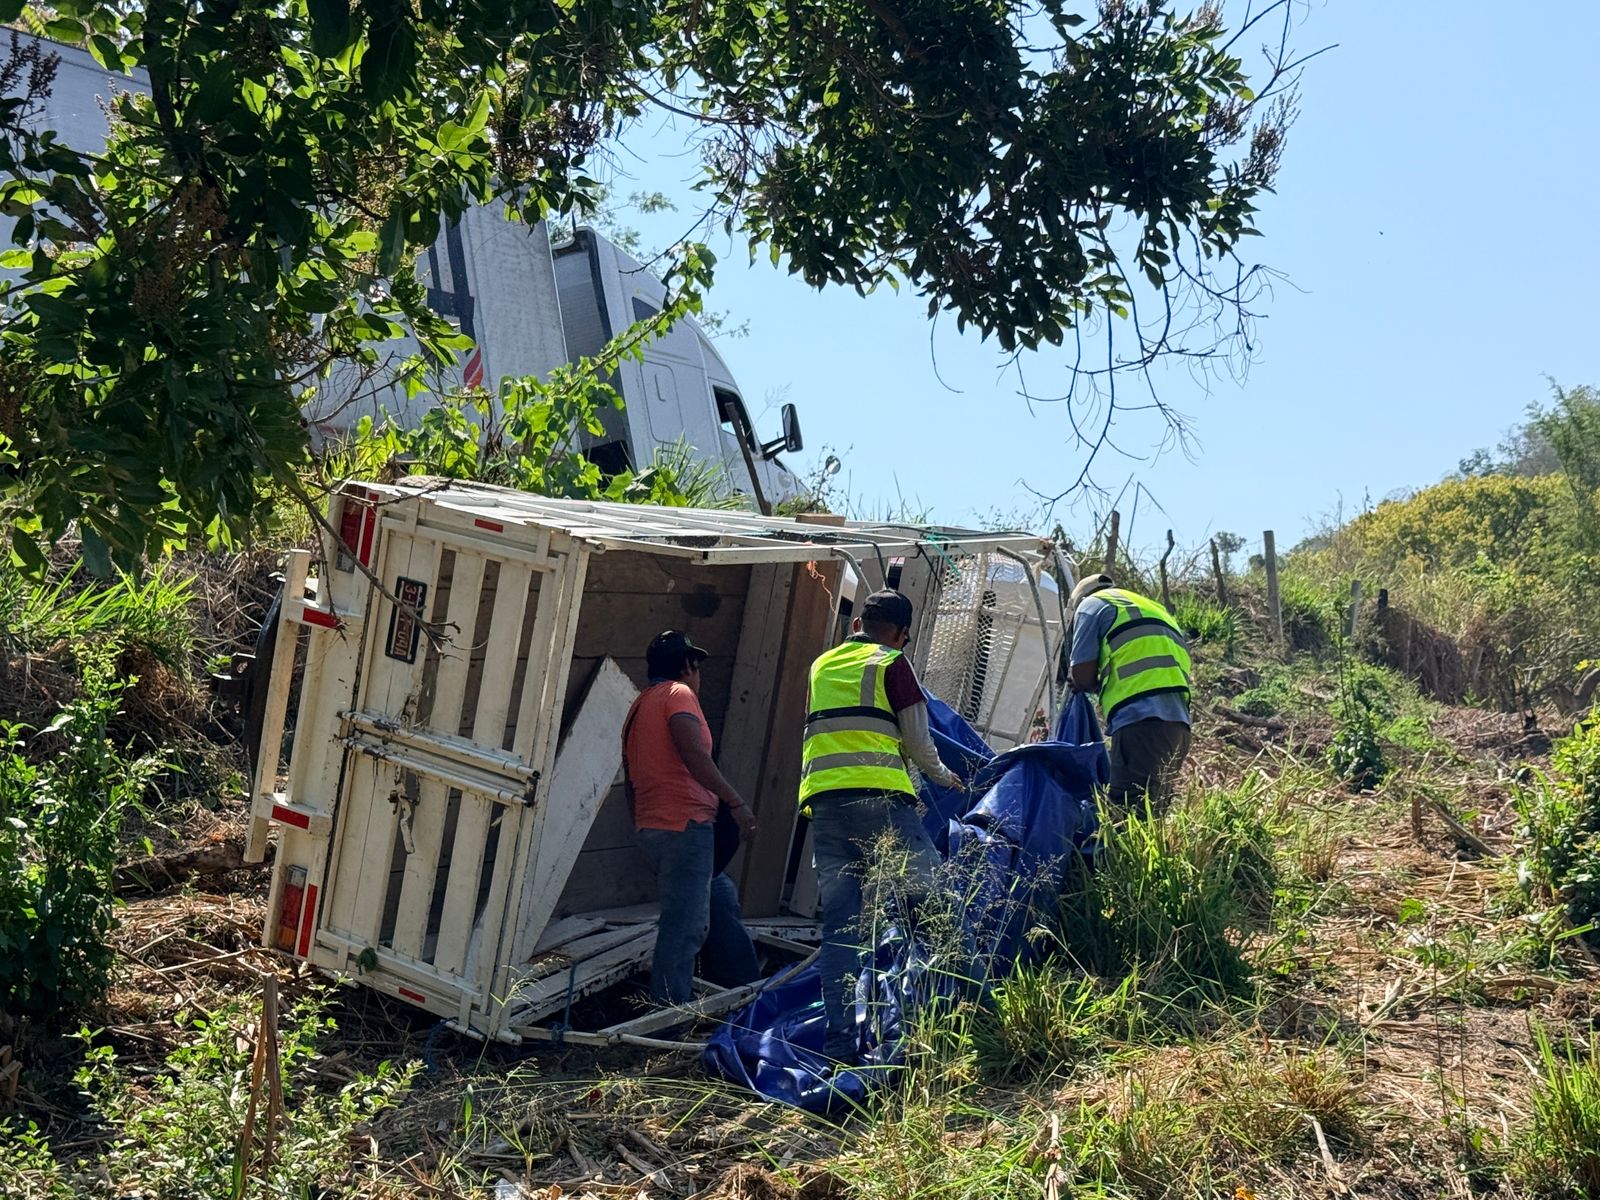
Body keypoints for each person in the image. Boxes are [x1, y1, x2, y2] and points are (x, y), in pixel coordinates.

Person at [800, 589, 965, 1063]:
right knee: (938, 913)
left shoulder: (822, 665)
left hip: (826, 806)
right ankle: (984, 1017)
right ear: (902, 633)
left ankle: (838, 1049)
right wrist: (947, 778)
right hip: (880, 802)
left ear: (858, 626)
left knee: (841, 931)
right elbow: (918, 742)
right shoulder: (893, 663)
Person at [623, 630, 761, 1005]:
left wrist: (643, 824)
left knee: (719, 895)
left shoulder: (639, 707)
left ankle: (747, 988)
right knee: (684, 928)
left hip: (656, 828)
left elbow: (629, 780)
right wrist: (735, 802)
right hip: (685, 825)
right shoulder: (678, 695)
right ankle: (666, 1018)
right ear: (688, 667)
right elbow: (694, 755)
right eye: (696, 668)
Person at [1067, 573, 1193, 815]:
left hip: (1141, 721)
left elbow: (1081, 674)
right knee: (1152, 813)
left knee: (1127, 815)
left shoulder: (1090, 606)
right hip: (1179, 726)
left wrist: (1082, 683)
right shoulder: (1152, 607)